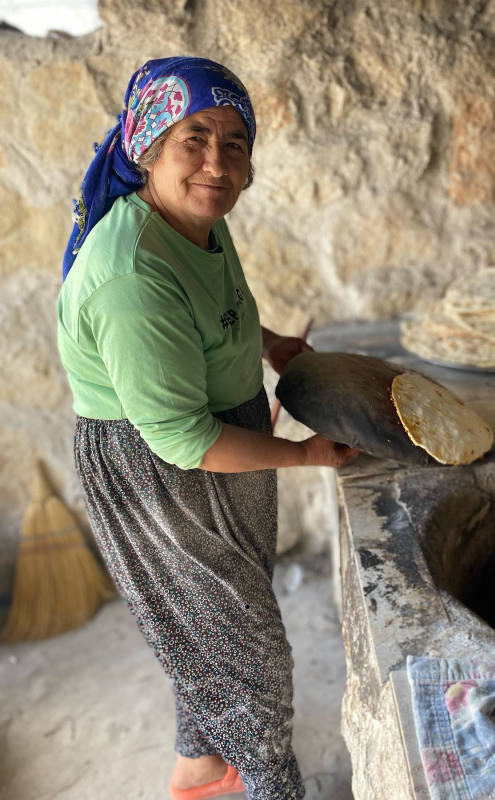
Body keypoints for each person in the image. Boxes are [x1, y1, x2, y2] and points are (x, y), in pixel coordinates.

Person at [57, 56, 357, 800]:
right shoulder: (131, 272)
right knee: (249, 654)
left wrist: (274, 342)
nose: (217, 163)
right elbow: (182, 440)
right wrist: (306, 452)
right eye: (195, 138)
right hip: (159, 470)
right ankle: (269, 784)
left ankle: (199, 769)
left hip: (219, 439)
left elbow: (216, 314)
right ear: (149, 145)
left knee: (216, 623)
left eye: (235, 142)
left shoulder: (194, 222)